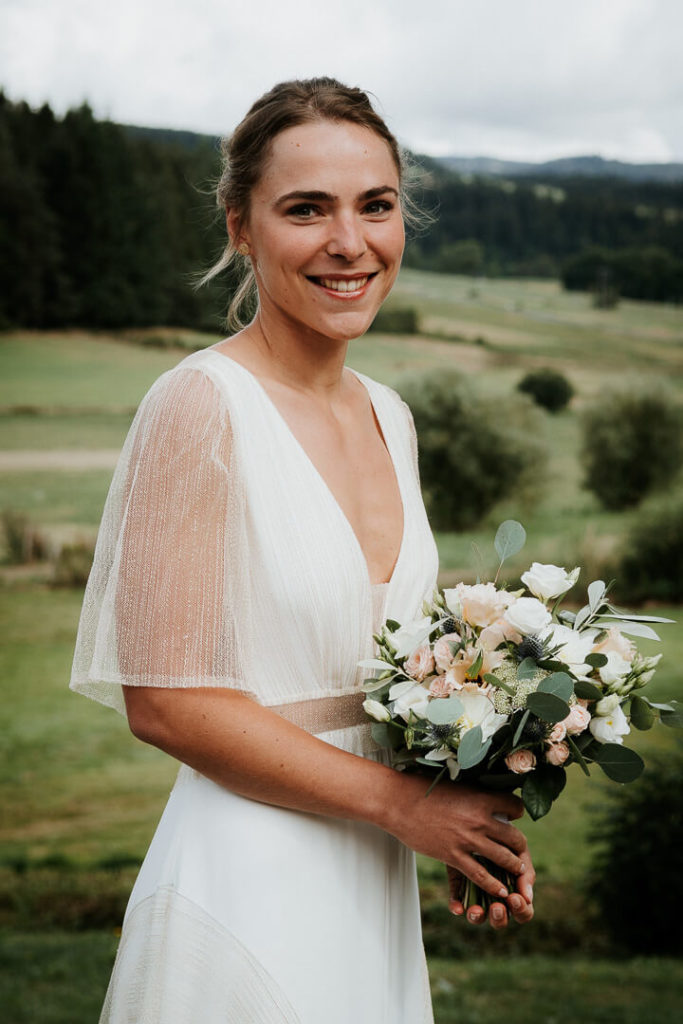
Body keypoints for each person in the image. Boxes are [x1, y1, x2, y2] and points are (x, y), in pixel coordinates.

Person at [70, 77, 535, 1024]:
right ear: (240, 226)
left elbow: (388, 674)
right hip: (246, 875)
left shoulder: (389, 416)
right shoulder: (200, 407)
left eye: (376, 205)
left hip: (368, 883)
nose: (349, 243)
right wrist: (405, 810)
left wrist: (468, 806)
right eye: (304, 210)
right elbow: (165, 704)